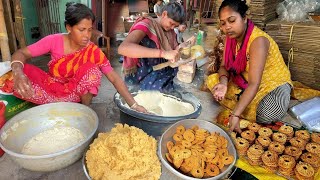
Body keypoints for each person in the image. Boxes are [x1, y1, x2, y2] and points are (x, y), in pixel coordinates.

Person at [10, 2, 147, 112]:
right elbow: (21, 53)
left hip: (76, 95)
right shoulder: (53, 40)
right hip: (52, 89)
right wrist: (18, 72)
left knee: (92, 70)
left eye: (89, 30)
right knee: (20, 72)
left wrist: (134, 105)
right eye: (81, 30)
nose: (87, 35)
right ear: (69, 27)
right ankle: (56, 103)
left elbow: (114, 78)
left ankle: (84, 111)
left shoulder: (92, 51)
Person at [205, 0, 292, 133]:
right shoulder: (230, 38)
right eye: (223, 23)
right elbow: (223, 67)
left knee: (268, 112)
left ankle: (239, 105)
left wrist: (235, 115)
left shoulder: (258, 41)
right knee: (212, 80)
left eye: (232, 20)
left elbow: (254, 84)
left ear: (244, 18)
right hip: (244, 80)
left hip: (271, 85)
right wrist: (223, 84)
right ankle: (242, 103)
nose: (227, 27)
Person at [118, 2, 194, 92]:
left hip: (160, 68)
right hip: (143, 72)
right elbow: (123, 48)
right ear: (164, 14)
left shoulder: (171, 31)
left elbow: (173, 50)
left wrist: (180, 47)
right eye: (171, 23)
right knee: (157, 93)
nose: (172, 27)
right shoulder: (147, 24)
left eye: (175, 26)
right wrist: (163, 54)